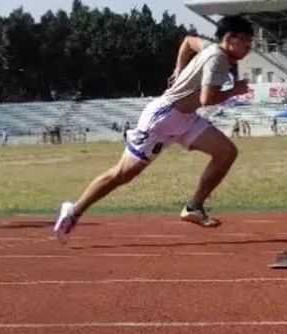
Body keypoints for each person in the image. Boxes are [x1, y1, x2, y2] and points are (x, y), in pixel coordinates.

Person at [52, 16, 254, 241]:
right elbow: (208, 98)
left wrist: (179, 70)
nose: (249, 48)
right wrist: (234, 91)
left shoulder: (210, 48)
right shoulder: (218, 60)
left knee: (226, 152)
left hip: (185, 118)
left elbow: (188, 41)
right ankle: (73, 211)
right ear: (230, 38)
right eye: (246, 41)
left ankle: (194, 207)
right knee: (122, 174)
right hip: (162, 119)